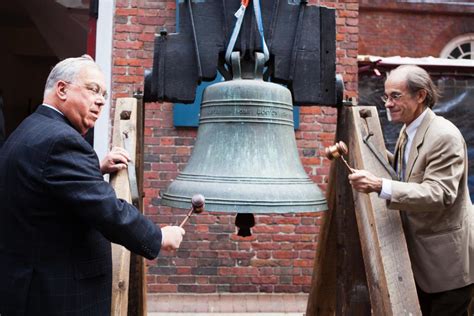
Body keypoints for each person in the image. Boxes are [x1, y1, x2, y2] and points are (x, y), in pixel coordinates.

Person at [0, 55, 185, 315]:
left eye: (104, 95)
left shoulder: (29, 130)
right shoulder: (62, 142)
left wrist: (94, 168)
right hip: (57, 297)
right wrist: (159, 237)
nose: (100, 100)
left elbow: (40, 186)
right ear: (62, 89)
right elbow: (108, 211)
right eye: (92, 89)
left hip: (25, 288)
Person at [349, 64, 474, 315]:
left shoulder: (443, 136)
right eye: (386, 96)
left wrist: (379, 185)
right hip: (421, 261)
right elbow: (406, 173)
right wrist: (362, 152)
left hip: (446, 265)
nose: (387, 103)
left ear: (420, 96)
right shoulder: (409, 129)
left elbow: (440, 193)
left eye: (396, 96)